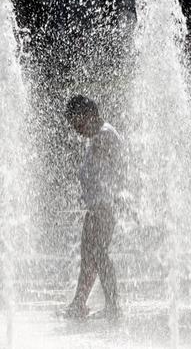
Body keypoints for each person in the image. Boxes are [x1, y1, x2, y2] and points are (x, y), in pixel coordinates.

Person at [60, 95, 124, 320]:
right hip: (96, 206)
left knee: (99, 254)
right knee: (89, 257)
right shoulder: (99, 135)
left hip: (103, 207)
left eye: (76, 122)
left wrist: (111, 201)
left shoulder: (104, 135)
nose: (76, 130)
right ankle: (79, 303)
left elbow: (117, 171)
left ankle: (114, 305)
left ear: (88, 115)